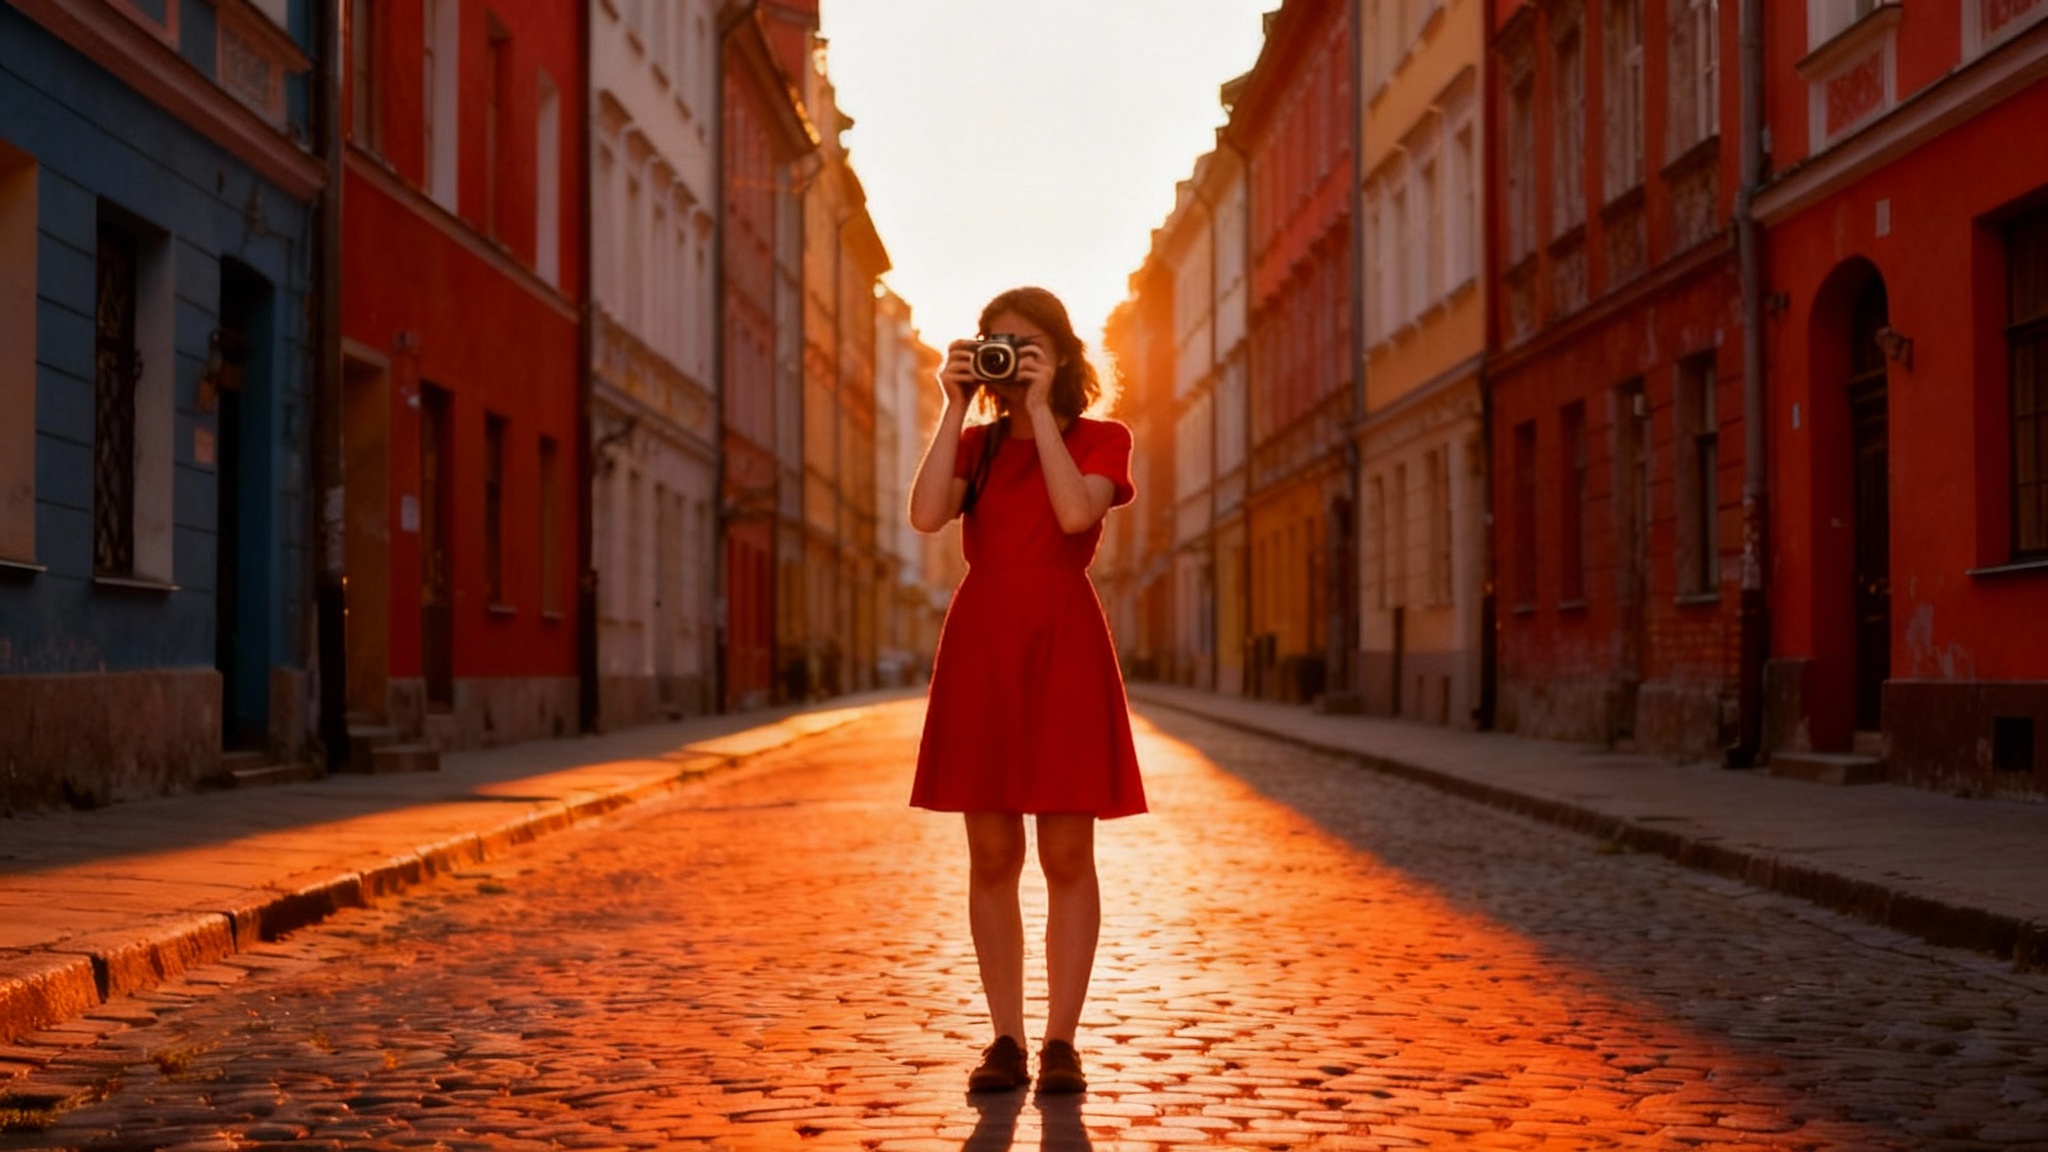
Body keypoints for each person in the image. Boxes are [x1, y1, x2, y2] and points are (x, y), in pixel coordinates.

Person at [907, 286, 1145, 1095]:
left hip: (1063, 638)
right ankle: (1004, 1037)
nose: (1006, 358)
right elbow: (926, 514)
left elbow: (1076, 516)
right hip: (984, 641)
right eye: (994, 344)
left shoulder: (1104, 438)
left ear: (1060, 356)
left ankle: (1061, 1043)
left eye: (1022, 346)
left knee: (1068, 851)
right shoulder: (972, 448)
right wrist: (952, 405)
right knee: (992, 852)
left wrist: (1041, 410)